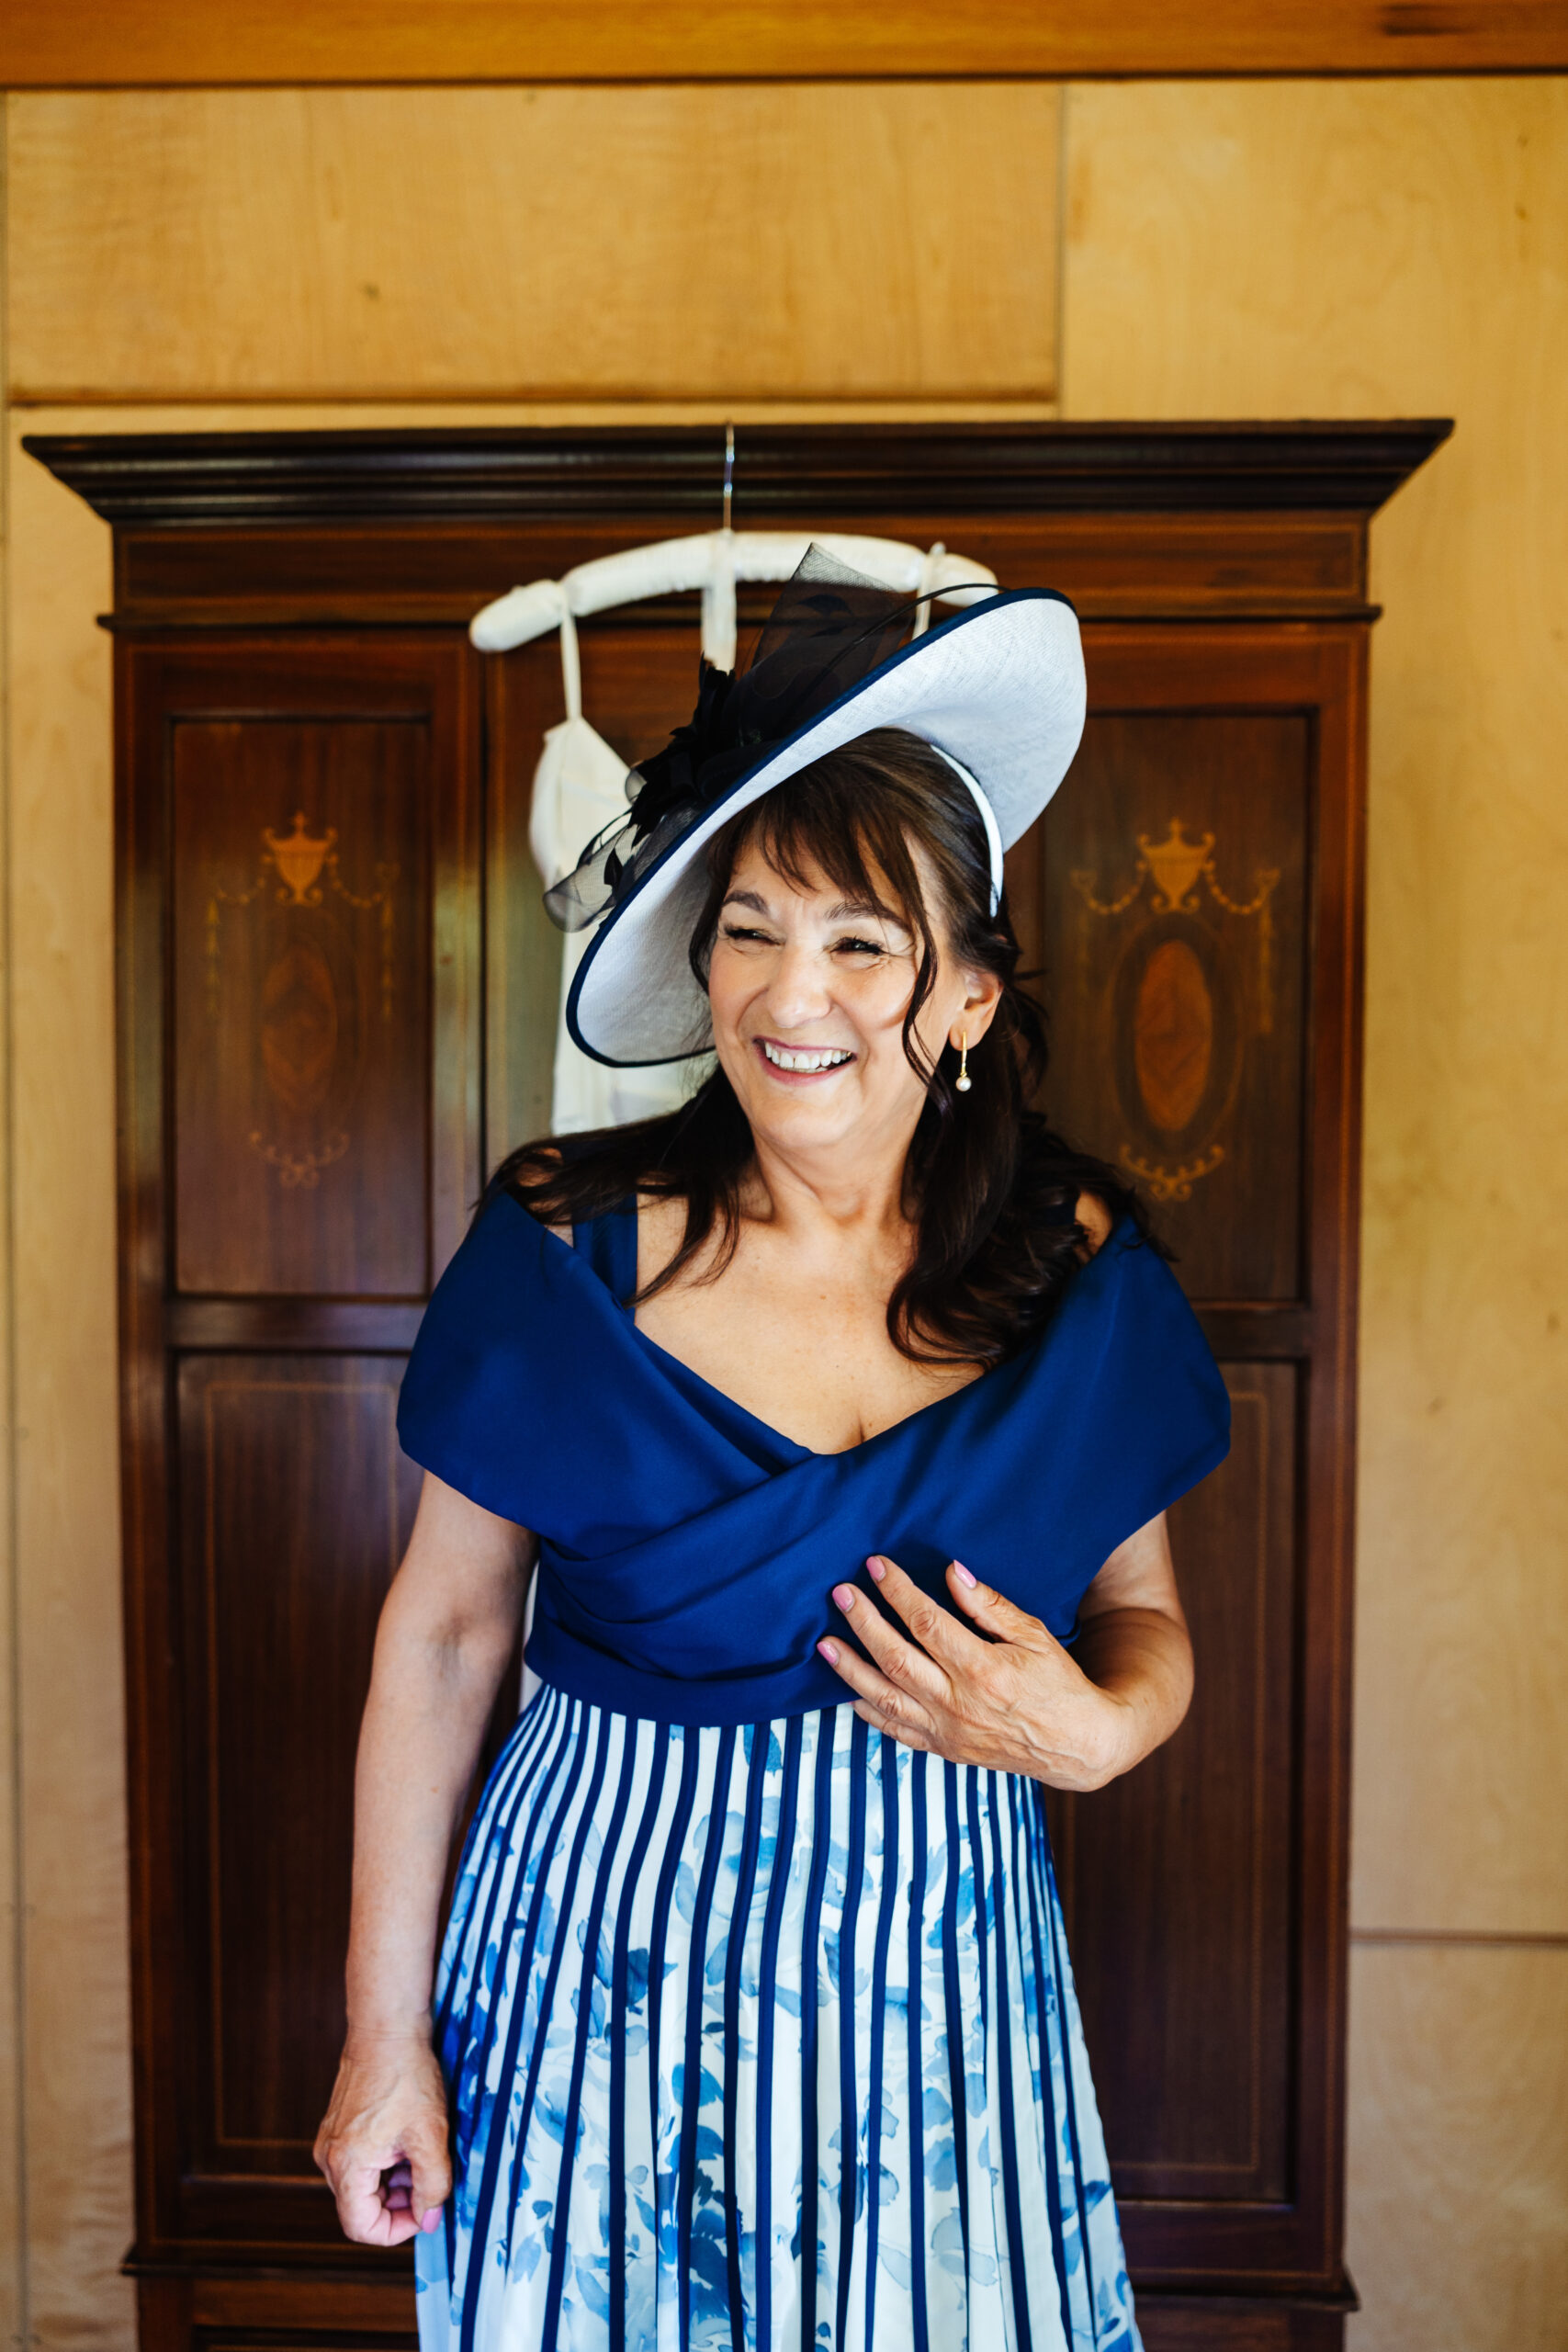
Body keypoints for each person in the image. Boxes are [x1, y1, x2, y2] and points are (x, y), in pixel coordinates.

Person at [315, 553, 1231, 2352]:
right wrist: (380, 2032)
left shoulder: (1075, 1266)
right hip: (591, 1955)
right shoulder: (560, 1244)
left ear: (964, 995)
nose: (782, 991)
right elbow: (436, 1639)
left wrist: (1106, 1729)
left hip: (931, 1973)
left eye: (857, 940)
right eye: (746, 925)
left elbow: (1140, 1614)